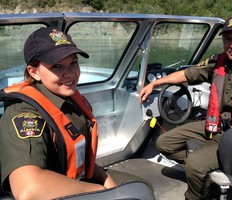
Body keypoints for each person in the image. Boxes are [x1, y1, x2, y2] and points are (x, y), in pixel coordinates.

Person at [139, 15, 232, 199]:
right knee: (164, 143)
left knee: (195, 164)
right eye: (228, 39)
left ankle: (197, 192)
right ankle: (204, 174)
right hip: (215, 125)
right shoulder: (216, 62)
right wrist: (156, 83)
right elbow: (187, 74)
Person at [0, 27, 152, 200]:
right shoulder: (23, 114)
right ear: (34, 72)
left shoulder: (68, 100)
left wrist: (104, 178)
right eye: (57, 66)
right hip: (53, 193)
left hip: (79, 176)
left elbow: (78, 155)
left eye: (73, 62)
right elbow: (29, 190)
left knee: (142, 188)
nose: (70, 73)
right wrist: (100, 191)